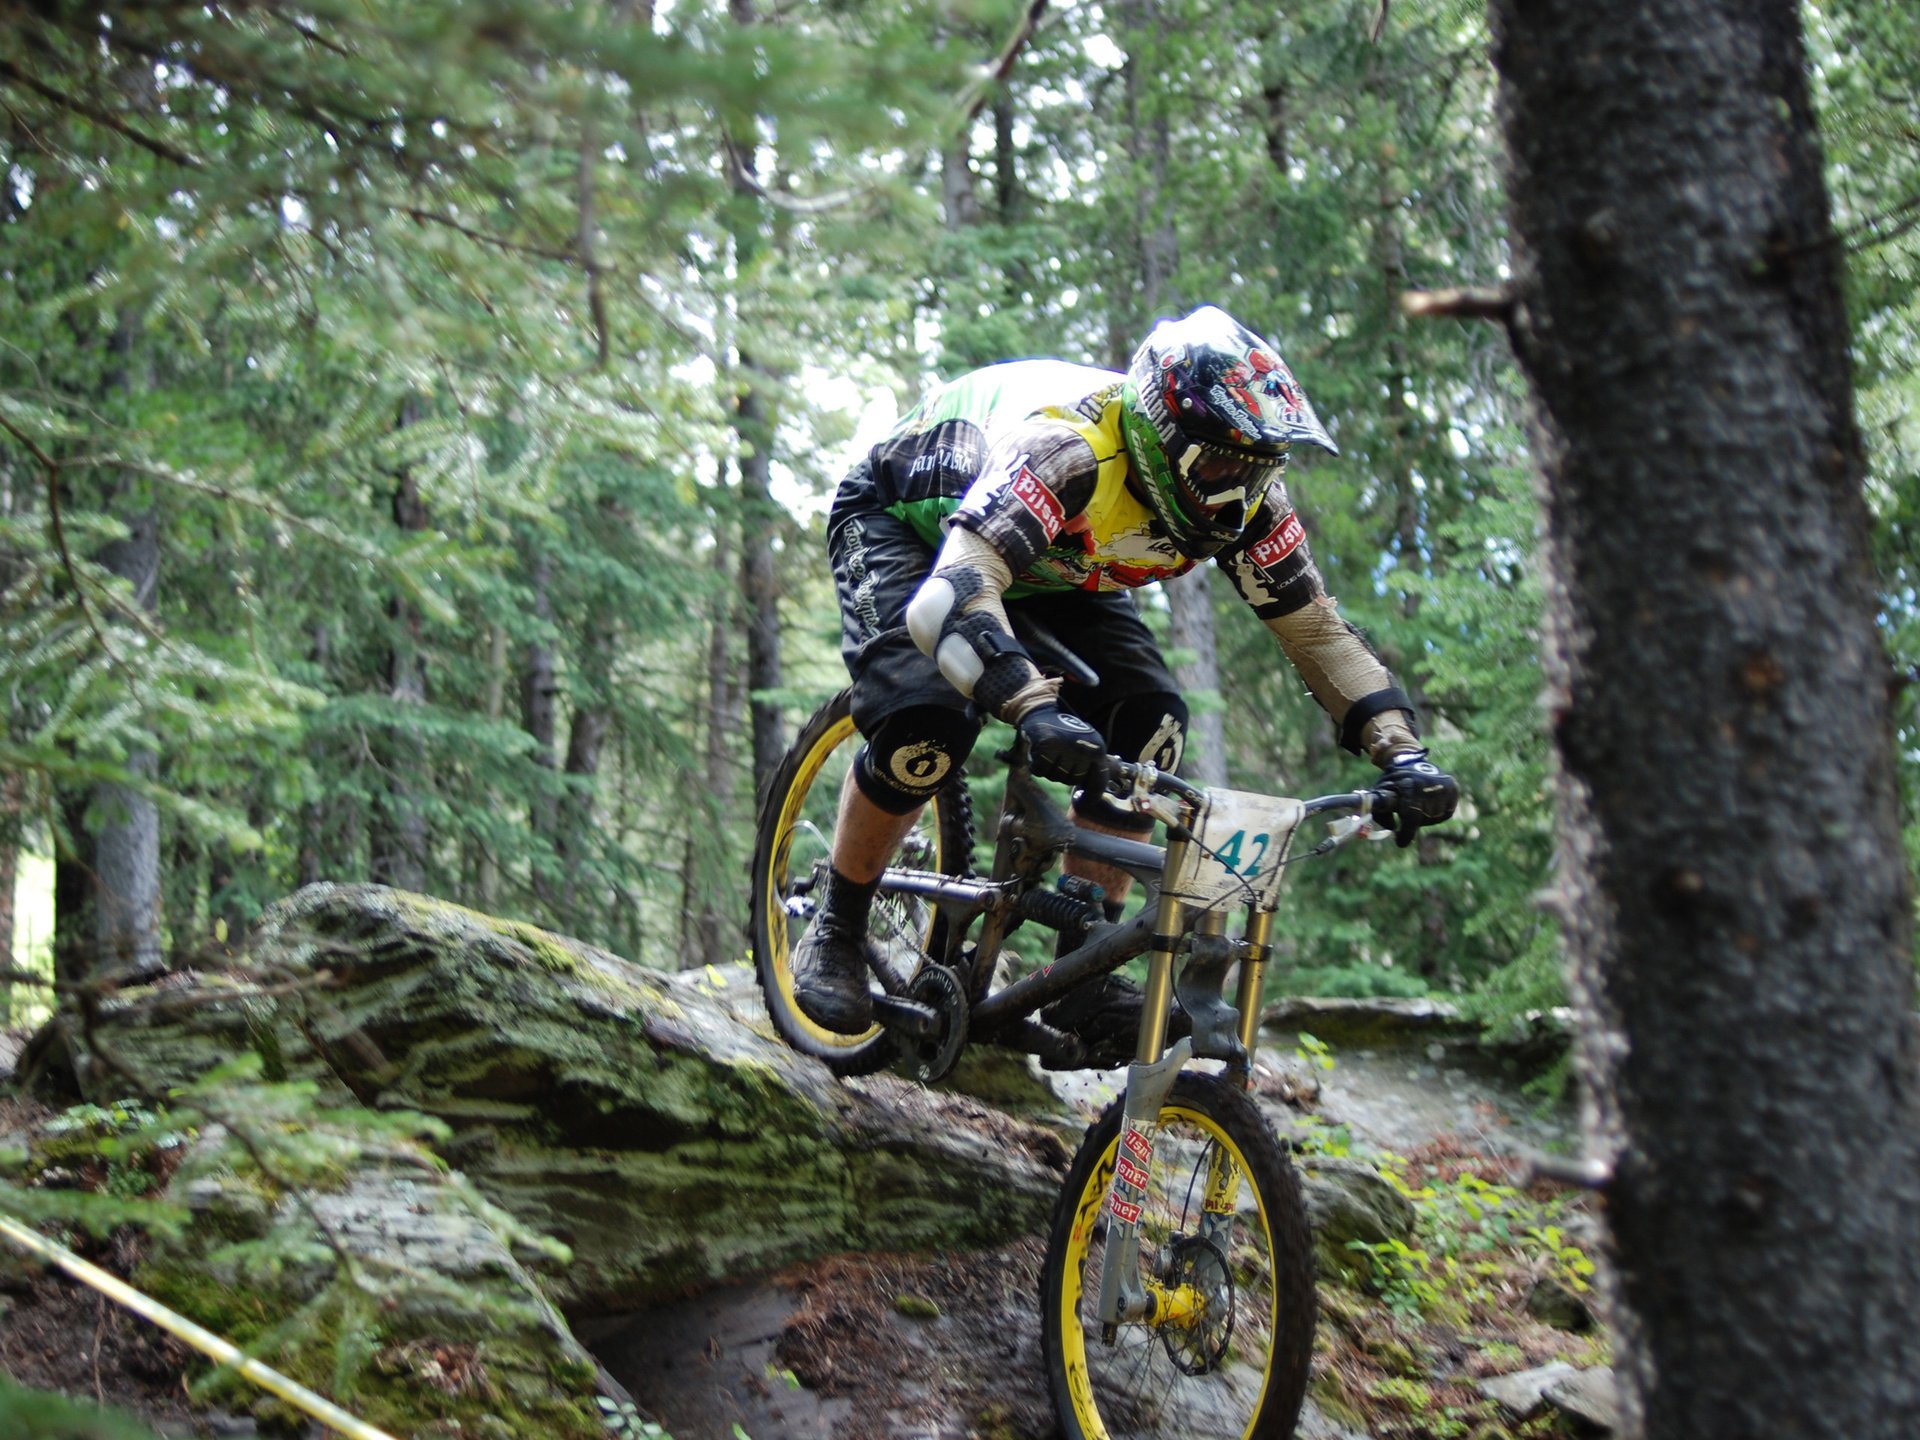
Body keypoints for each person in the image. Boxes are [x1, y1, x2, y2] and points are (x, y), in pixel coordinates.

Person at [795, 304, 1458, 1046]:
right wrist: (1030, 705)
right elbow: (950, 599)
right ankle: (839, 927)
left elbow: (1314, 631)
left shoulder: (1248, 503)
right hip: (908, 527)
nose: (1237, 492)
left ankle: (1082, 967)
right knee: (928, 719)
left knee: (1149, 722)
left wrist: (1402, 751)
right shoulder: (1067, 450)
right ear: (1159, 439)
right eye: (1218, 468)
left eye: (1257, 470)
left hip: (1054, 565)